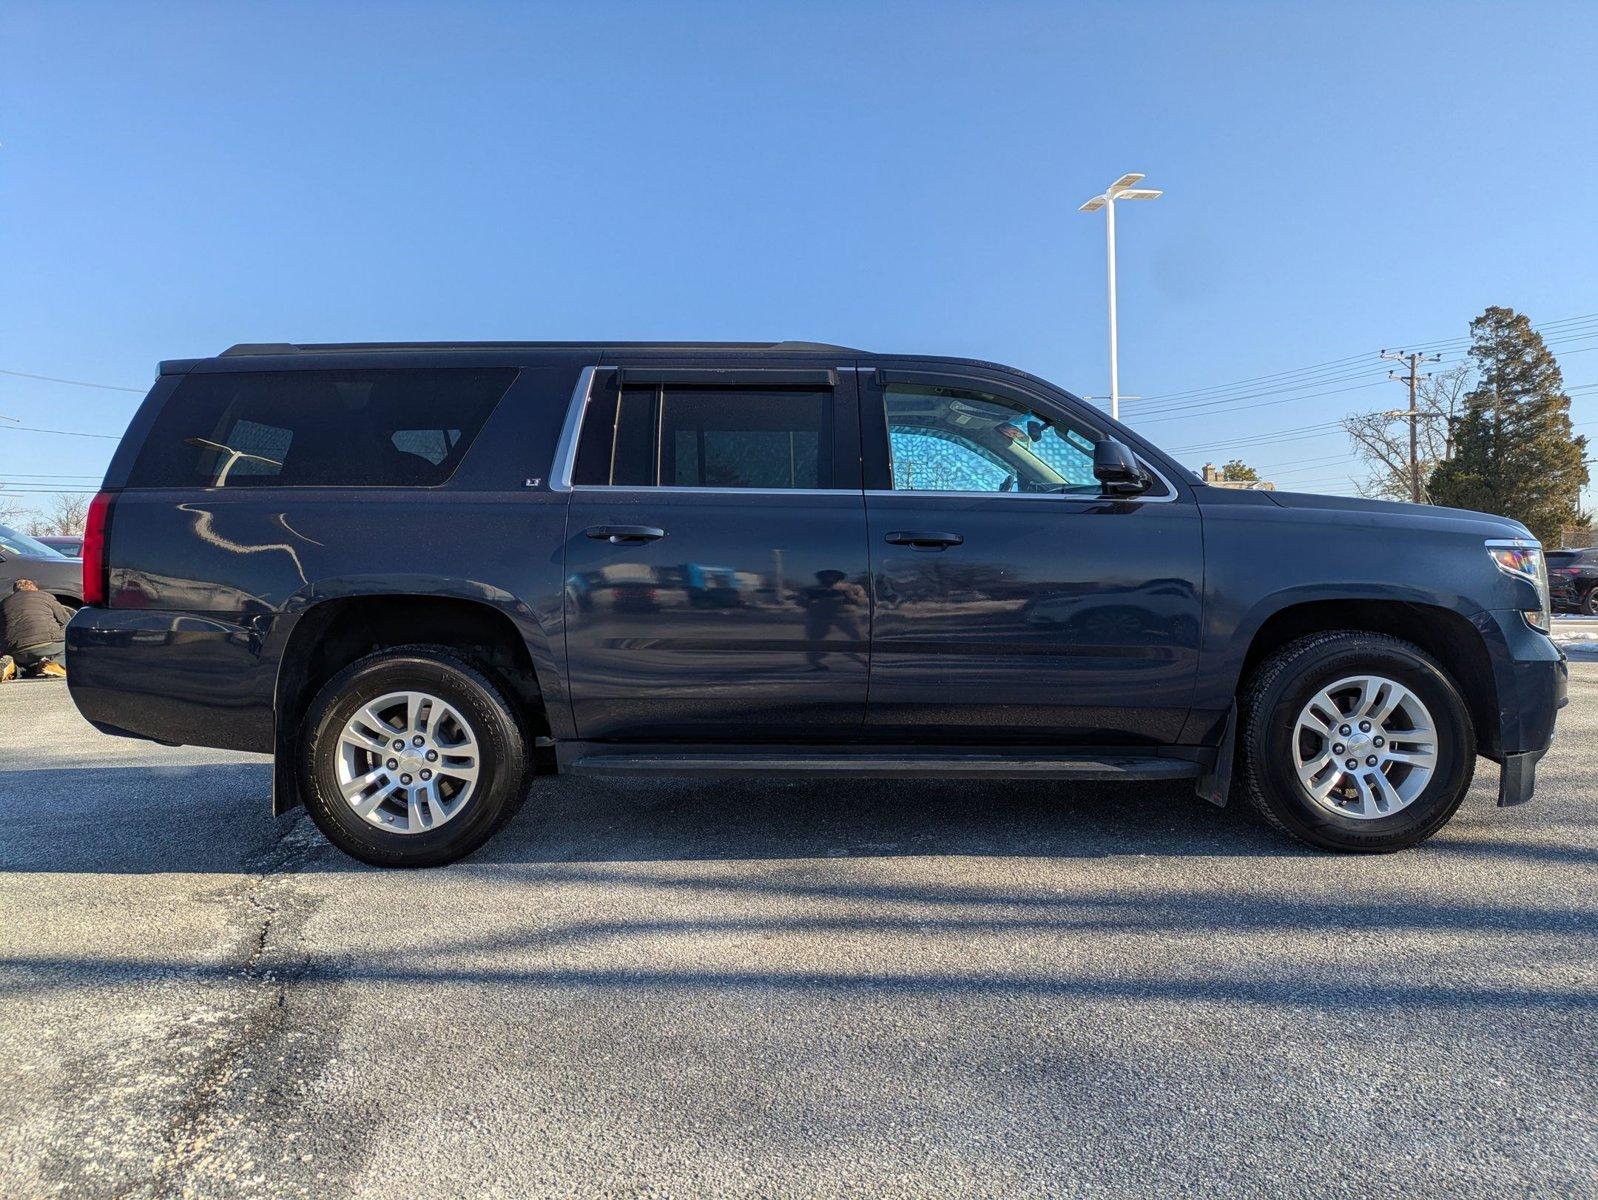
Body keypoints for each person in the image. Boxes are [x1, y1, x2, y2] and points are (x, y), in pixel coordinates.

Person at [0, 579, 72, 678]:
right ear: (35, 588)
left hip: (16, 652)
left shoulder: (4, 603)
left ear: (15, 591)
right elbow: (67, 621)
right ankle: (56, 665)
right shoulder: (46, 597)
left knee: (26, 668)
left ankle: (12, 668)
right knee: (71, 646)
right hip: (47, 645)